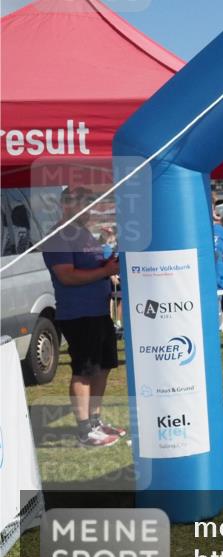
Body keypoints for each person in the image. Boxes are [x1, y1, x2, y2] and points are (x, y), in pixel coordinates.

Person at [43, 187, 126, 447]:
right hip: (78, 313)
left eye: (90, 205)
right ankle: (84, 431)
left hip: (98, 311)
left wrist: (109, 263)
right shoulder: (58, 236)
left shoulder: (83, 233)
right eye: (84, 204)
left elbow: (94, 266)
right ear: (66, 205)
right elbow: (67, 276)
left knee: (103, 367)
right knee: (84, 370)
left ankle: (95, 421)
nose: (89, 210)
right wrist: (105, 272)